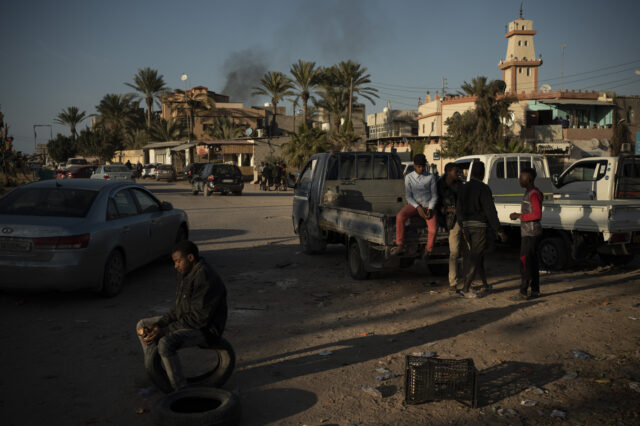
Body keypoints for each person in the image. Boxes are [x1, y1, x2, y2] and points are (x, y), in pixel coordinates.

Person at [136, 240, 228, 391]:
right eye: (174, 262)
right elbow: (179, 310)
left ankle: (181, 391)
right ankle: (157, 373)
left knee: (166, 342)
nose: (175, 266)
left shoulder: (204, 277)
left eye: (178, 261)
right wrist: (159, 325)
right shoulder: (187, 273)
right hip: (190, 321)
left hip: (206, 330)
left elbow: (198, 319)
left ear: (190, 258)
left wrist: (164, 330)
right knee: (143, 325)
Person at [456, 161, 507, 298]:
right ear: (483, 173)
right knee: (476, 257)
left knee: (478, 257)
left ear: (471, 172)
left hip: (466, 226)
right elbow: (490, 211)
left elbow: (459, 209)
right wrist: (499, 230)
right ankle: (465, 289)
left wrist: (462, 226)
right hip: (479, 227)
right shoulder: (484, 189)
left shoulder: (463, 188)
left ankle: (485, 284)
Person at [391, 153, 438, 259]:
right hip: (414, 205)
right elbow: (408, 196)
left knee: (433, 230)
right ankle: (400, 244)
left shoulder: (431, 177)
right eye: (418, 166)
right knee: (400, 216)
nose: (421, 168)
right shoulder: (409, 177)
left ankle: (428, 250)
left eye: (423, 166)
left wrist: (430, 209)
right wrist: (418, 207)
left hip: (428, 205)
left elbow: (434, 196)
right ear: (414, 166)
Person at [509, 167, 543, 300]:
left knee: (525, 263)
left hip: (530, 234)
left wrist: (519, 216)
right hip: (533, 232)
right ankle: (535, 290)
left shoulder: (533, 194)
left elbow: (537, 214)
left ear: (529, 179)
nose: (519, 179)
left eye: (521, 177)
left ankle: (523, 292)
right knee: (533, 263)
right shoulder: (532, 192)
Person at [436, 162, 463, 294]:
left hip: (463, 219)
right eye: (455, 171)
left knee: (467, 251)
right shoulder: (439, 186)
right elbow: (436, 206)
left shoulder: (460, 185)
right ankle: (453, 282)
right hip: (451, 221)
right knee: (454, 252)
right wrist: (450, 210)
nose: (457, 173)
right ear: (448, 172)